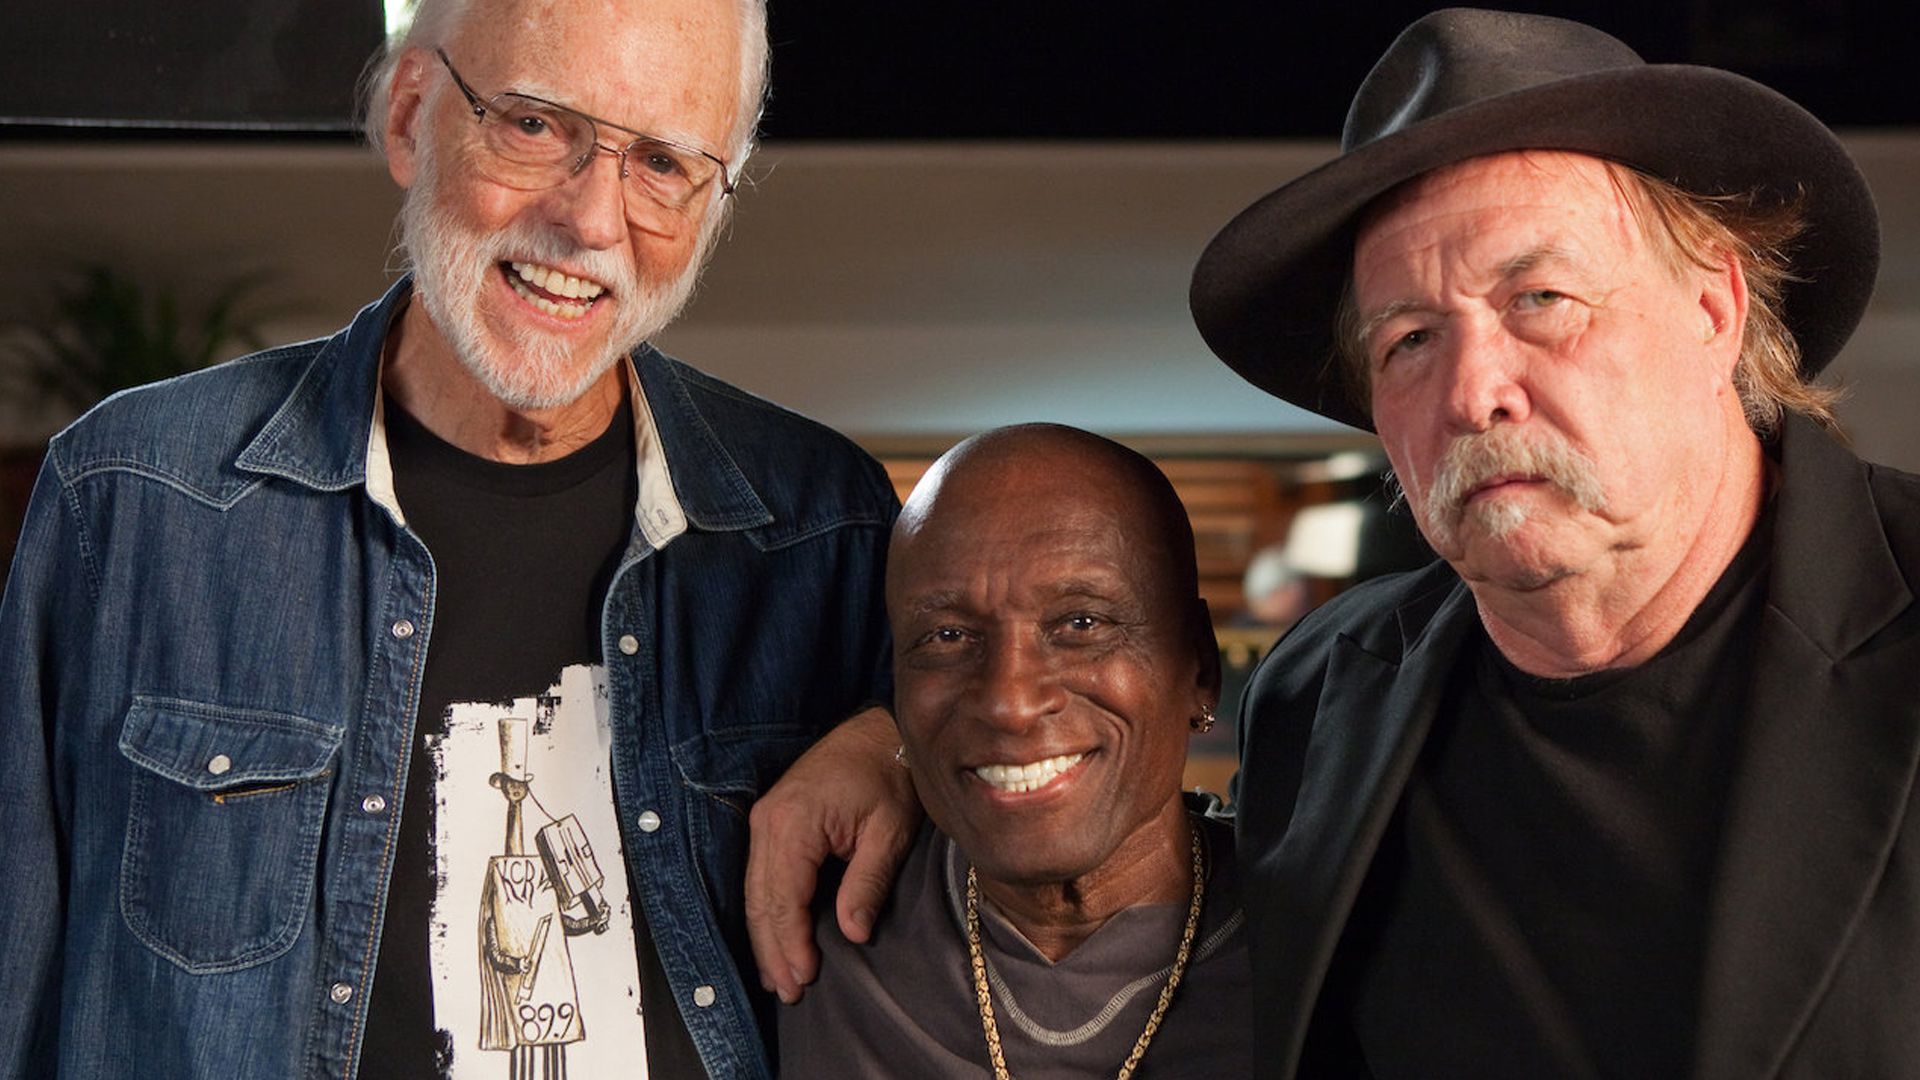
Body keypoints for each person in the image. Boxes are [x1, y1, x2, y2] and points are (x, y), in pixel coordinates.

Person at [0, 0, 899, 1077]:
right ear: (411, 115)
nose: (591, 221)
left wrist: (899, 744)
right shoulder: (135, 500)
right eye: (537, 125)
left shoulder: (825, 530)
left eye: (663, 162)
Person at [1188, 8, 1915, 1079]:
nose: (1473, 392)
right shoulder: (1318, 694)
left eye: (1540, 298)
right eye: (1410, 340)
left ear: (1713, 309)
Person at [779, 424, 1251, 1078]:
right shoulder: (809, 926)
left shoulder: (1327, 950)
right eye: (947, 636)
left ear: (1199, 668)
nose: (1010, 701)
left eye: (1081, 624)